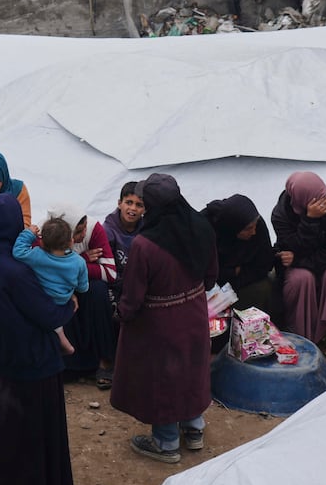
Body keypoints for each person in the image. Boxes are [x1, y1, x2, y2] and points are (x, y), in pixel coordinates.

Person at [0, 194, 77, 485]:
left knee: (7, 423)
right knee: (35, 430)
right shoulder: (17, 270)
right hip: (33, 359)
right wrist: (68, 307)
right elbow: (45, 314)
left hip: (1, 354)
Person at [111, 173, 217, 466]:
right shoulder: (201, 225)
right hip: (194, 312)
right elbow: (210, 276)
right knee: (190, 369)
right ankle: (194, 430)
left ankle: (166, 442)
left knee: (164, 378)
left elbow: (133, 296)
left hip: (159, 323)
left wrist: (122, 314)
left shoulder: (145, 245)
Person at [271, 171, 326, 357]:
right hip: (299, 258)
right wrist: (310, 220)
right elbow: (292, 246)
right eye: (317, 197)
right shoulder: (281, 214)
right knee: (300, 279)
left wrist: (300, 260)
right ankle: (301, 334)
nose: (323, 200)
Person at [51, 201, 119, 390]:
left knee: (97, 291)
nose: (82, 237)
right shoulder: (47, 234)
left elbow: (110, 273)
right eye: (76, 233)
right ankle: (71, 365)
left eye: (83, 230)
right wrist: (82, 261)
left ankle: (104, 361)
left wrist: (69, 268)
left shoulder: (94, 230)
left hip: (86, 286)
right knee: (59, 295)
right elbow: (47, 273)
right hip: (58, 288)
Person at [12, 216, 90, 354]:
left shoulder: (37, 255)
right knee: (57, 324)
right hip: (62, 301)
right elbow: (83, 288)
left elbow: (18, 251)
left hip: (40, 299)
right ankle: (61, 339)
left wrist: (29, 233)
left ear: (41, 243)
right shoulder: (79, 262)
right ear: (71, 242)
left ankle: (59, 338)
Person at [202, 193, 276, 314]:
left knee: (263, 288)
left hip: (243, 281)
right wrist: (231, 272)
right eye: (248, 229)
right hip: (213, 286)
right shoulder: (206, 227)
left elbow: (264, 264)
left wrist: (233, 282)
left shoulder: (256, 225)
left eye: (254, 226)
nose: (253, 232)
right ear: (233, 227)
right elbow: (202, 268)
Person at [102, 181, 145, 300]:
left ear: (145, 209)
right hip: (116, 286)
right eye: (129, 203)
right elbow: (108, 270)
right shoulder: (107, 231)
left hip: (141, 285)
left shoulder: (147, 230)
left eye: (139, 205)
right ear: (119, 203)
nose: (133, 208)